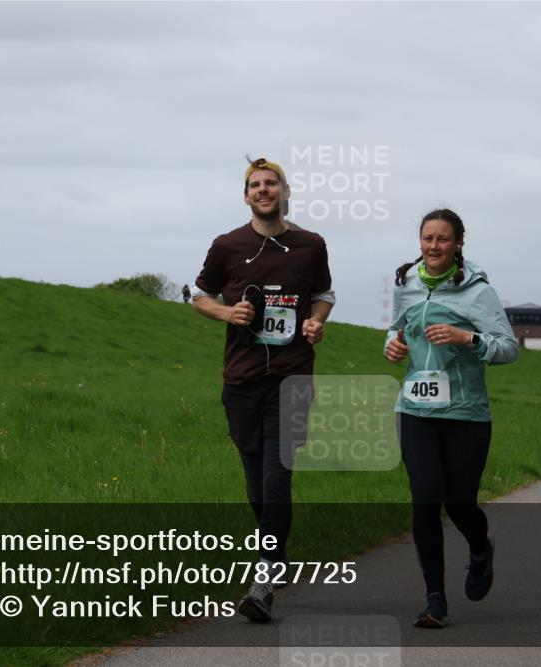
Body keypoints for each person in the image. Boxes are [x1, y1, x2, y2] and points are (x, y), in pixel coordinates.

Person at [191, 157, 334, 623]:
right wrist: (226, 314)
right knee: (256, 486)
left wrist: (315, 321)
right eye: (255, 185)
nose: (263, 190)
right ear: (246, 195)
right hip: (242, 379)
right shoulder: (226, 245)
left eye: (271, 183)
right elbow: (200, 295)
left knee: (277, 478)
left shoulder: (310, 245)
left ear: (286, 192)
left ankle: (264, 578)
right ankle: (278, 555)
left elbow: (325, 295)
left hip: (292, 378)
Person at [384, 208, 518, 628]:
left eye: (443, 239)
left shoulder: (478, 291)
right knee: (425, 497)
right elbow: (397, 328)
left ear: (459, 243)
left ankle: (480, 548)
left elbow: (508, 347)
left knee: (459, 503)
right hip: (415, 409)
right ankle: (434, 599)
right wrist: (392, 345)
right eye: (427, 239)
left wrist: (468, 338)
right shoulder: (406, 283)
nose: (434, 246)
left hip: (465, 414)